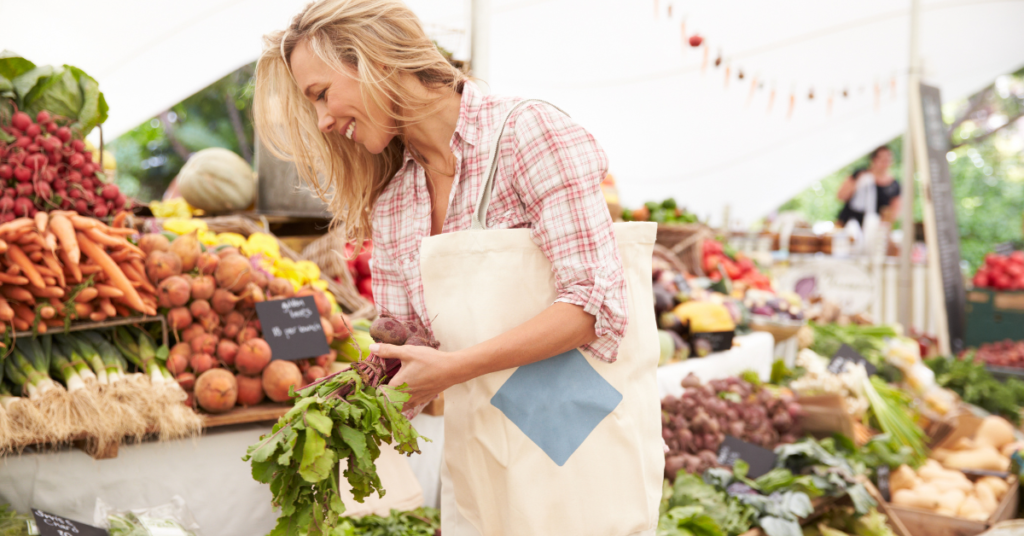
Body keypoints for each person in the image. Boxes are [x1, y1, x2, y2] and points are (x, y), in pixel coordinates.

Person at [253, 1, 662, 534]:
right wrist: (339, 400)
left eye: (321, 95)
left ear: (371, 59)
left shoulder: (527, 134)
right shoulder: (396, 201)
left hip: (579, 433)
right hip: (484, 448)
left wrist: (454, 368)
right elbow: (415, 345)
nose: (324, 121)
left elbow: (594, 306)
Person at [836, 145, 901, 226]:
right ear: (874, 159)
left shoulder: (894, 185)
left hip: (873, 227)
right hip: (849, 222)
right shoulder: (860, 174)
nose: (885, 162)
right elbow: (840, 196)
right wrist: (858, 184)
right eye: (882, 159)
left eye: (888, 159)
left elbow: (895, 211)